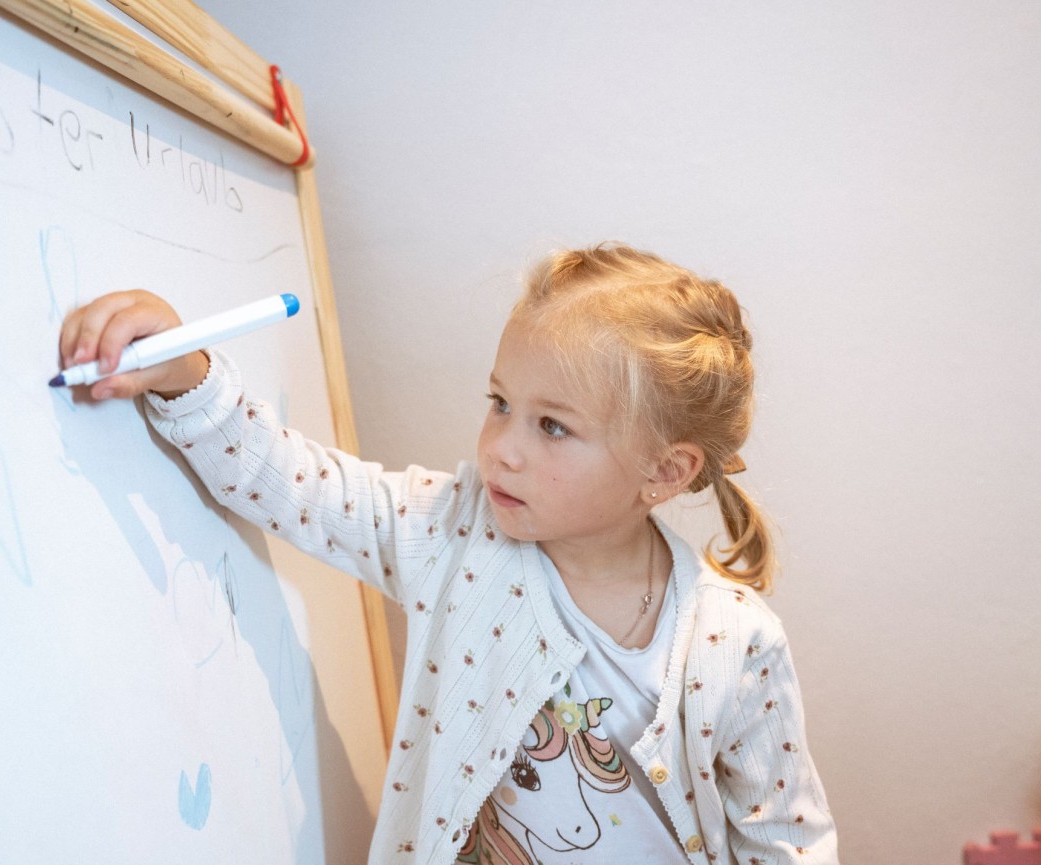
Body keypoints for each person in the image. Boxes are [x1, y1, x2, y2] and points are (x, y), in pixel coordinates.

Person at [58, 243, 838, 864]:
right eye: (500, 404)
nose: (501, 448)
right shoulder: (457, 534)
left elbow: (789, 839)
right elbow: (299, 485)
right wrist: (186, 375)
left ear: (664, 472)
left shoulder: (737, 640)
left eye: (552, 426)